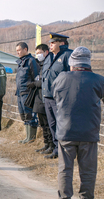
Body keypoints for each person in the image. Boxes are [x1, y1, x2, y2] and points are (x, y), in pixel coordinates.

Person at [52, 46, 104, 199]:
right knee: (88, 171)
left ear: (72, 63)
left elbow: (54, 96)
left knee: (65, 169)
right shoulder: (99, 80)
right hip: (89, 132)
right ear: (88, 63)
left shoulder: (62, 77)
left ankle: (64, 197)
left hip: (66, 131)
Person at [42, 32, 73, 159]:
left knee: (62, 124)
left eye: (53, 42)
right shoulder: (49, 57)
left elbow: (71, 77)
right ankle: (56, 148)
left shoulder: (67, 55)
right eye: (50, 43)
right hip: (48, 96)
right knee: (52, 124)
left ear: (62, 43)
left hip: (60, 98)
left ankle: (64, 149)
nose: (50, 45)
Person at [27, 44, 54, 154]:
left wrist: (35, 83)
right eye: (37, 53)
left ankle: (51, 145)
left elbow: (45, 81)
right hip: (39, 97)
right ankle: (46, 144)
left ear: (46, 52)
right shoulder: (39, 64)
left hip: (45, 97)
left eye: (40, 52)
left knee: (48, 124)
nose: (38, 55)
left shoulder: (49, 64)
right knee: (43, 124)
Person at [15, 42, 39, 144]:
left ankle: (31, 138)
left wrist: (33, 85)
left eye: (19, 50)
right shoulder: (21, 62)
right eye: (17, 51)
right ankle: (27, 137)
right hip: (20, 93)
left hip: (28, 93)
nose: (18, 53)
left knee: (30, 115)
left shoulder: (31, 61)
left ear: (25, 49)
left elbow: (36, 77)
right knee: (23, 115)